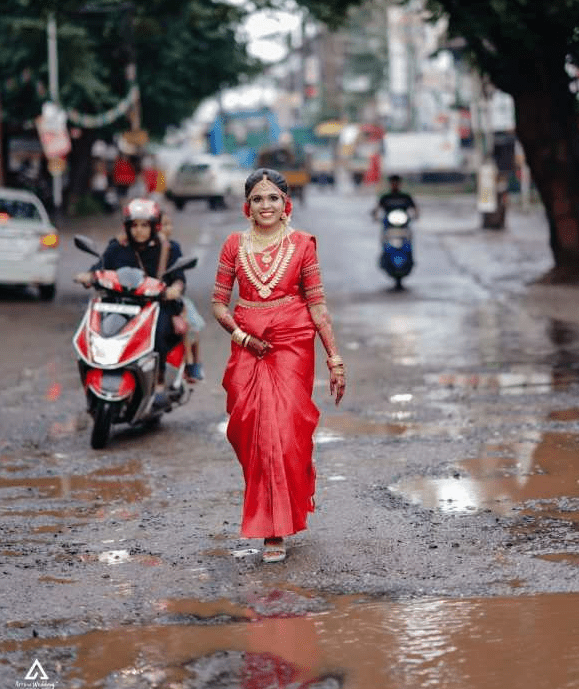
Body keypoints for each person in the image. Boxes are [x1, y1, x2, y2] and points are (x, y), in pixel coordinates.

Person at [212, 167, 346, 564]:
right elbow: (219, 303)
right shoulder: (233, 246)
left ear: (285, 204)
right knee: (252, 431)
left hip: (291, 346)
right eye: (257, 198)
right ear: (246, 207)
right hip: (248, 348)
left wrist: (334, 358)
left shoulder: (303, 245)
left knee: (284, 434)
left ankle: (275, 531)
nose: (265, 205)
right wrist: (243, 337)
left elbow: (317, 307)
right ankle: (269, 518)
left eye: (272, 198)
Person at [75, 198, 186, 407]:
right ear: (127, 226)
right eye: (134, 225)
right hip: (119, 303)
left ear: (154, 226)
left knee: (160, 329)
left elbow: (179, 278)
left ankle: (159, 379)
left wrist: (175, 289)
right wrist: (87, 276)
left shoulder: (168, 249)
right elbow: (99, 266)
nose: (139, 231)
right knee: (98, 326)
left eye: (144, 225)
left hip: (155, 305)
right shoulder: (117, 247)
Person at [159, 211, 205, 382]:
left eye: (168, 224)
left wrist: (175, 289)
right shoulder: (139, 248)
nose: (165, 228)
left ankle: (192, 363)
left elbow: (179, 277)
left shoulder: (173, 248)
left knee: (189, 323)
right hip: (144, 297)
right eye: (162, 224)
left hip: (170, 298)